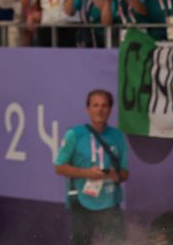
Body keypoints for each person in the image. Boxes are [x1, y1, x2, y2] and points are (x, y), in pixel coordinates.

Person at [54, 90, 129, 245]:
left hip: (110, 202)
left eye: (104, 105)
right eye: (95, 105)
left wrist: (116, 175)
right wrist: (86, 173)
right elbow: (59, 167)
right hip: (82, 201)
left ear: (110, 109)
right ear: (88, 109)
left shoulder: (117, 136)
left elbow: (125, 173)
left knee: (117, 242)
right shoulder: (75, 134)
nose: (100, 110)